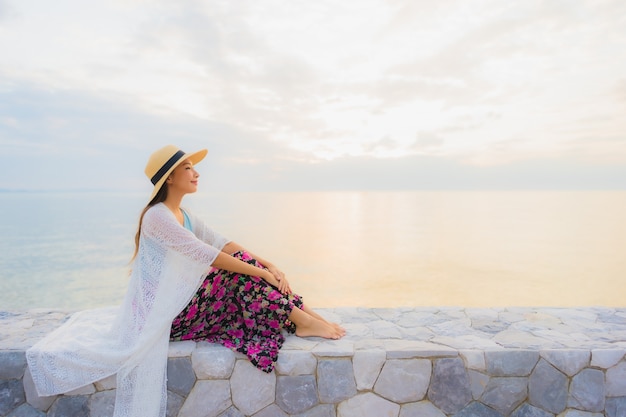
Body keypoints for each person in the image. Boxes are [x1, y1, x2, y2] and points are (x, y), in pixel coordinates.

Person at [27, 145, 344, 417]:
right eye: (189, 168)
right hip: (164, 317)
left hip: (182, 305)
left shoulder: (184, 214)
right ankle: (303, 320)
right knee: (234, 274)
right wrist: (261, 273)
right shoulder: (157, 216)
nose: (197, 173)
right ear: (170, 177)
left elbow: (224, 243)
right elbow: (208, 255)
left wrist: (269, 264)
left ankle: (308, 317)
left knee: (244, 265)